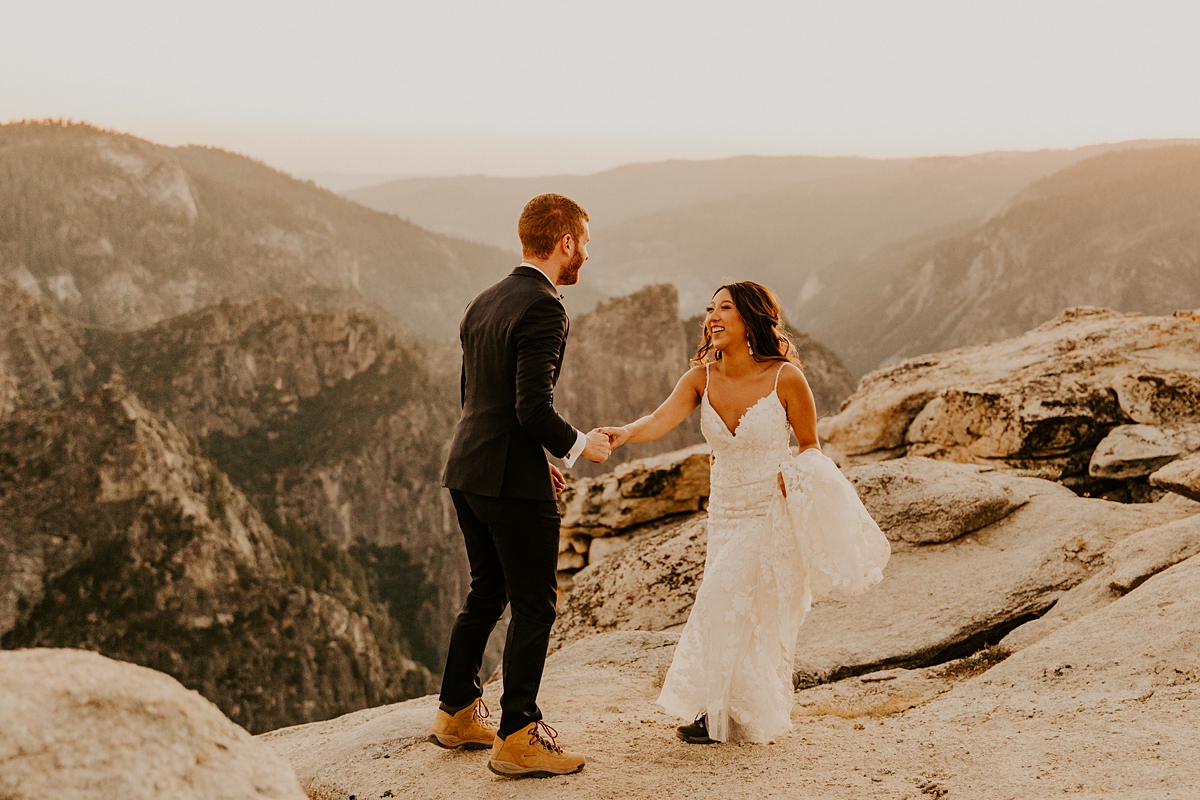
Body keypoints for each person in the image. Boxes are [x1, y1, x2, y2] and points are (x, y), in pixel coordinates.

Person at [600, 281, 890, 744]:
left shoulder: (786, 378)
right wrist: (623, 433)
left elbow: (811, 446)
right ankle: (725, 712)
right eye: (709, 309)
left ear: (750, 317)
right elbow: (658, 420)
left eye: (725, 309)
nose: (712, 317)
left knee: (722, 600)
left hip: (769, 512)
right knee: (740, 613)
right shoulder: (700, 378)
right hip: (725, 512)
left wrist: (793, 473)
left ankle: (718, 713)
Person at [431, 193, 611, 777]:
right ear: (565, 243)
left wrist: (537, 457)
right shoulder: (544, 307)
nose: (586, 251)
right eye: (583, 241)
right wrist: (582, 445)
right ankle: (518, 735)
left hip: (468, 469)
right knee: (535, 605)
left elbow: (480, 399)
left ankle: (456, 711)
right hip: (509, 484)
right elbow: (533, 407)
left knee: (487, 593)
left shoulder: (483, 300)